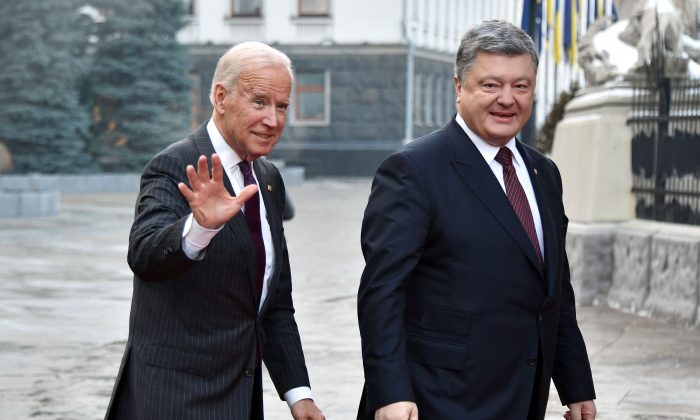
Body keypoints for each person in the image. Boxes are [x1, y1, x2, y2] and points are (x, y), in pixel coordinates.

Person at [356, 20, 597, 420]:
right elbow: (382, 293)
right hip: (436, 401)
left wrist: (575, 385)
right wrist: (390, 393)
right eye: (490, 85)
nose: (507, 99)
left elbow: (554, 291)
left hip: (521, 398)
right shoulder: (413, 170)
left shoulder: (544, 173)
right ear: (459, 87)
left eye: (520, 86)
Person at [104, 42, 325, 420]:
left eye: (282, 106)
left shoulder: (268, 179)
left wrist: (298, 394)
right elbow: (144, 255)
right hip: (174, 400)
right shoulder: (175, 164)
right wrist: (199, 228)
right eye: (259, 102)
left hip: (239, 398)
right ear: (221, 98)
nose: (273, 120)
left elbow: (273, 304)